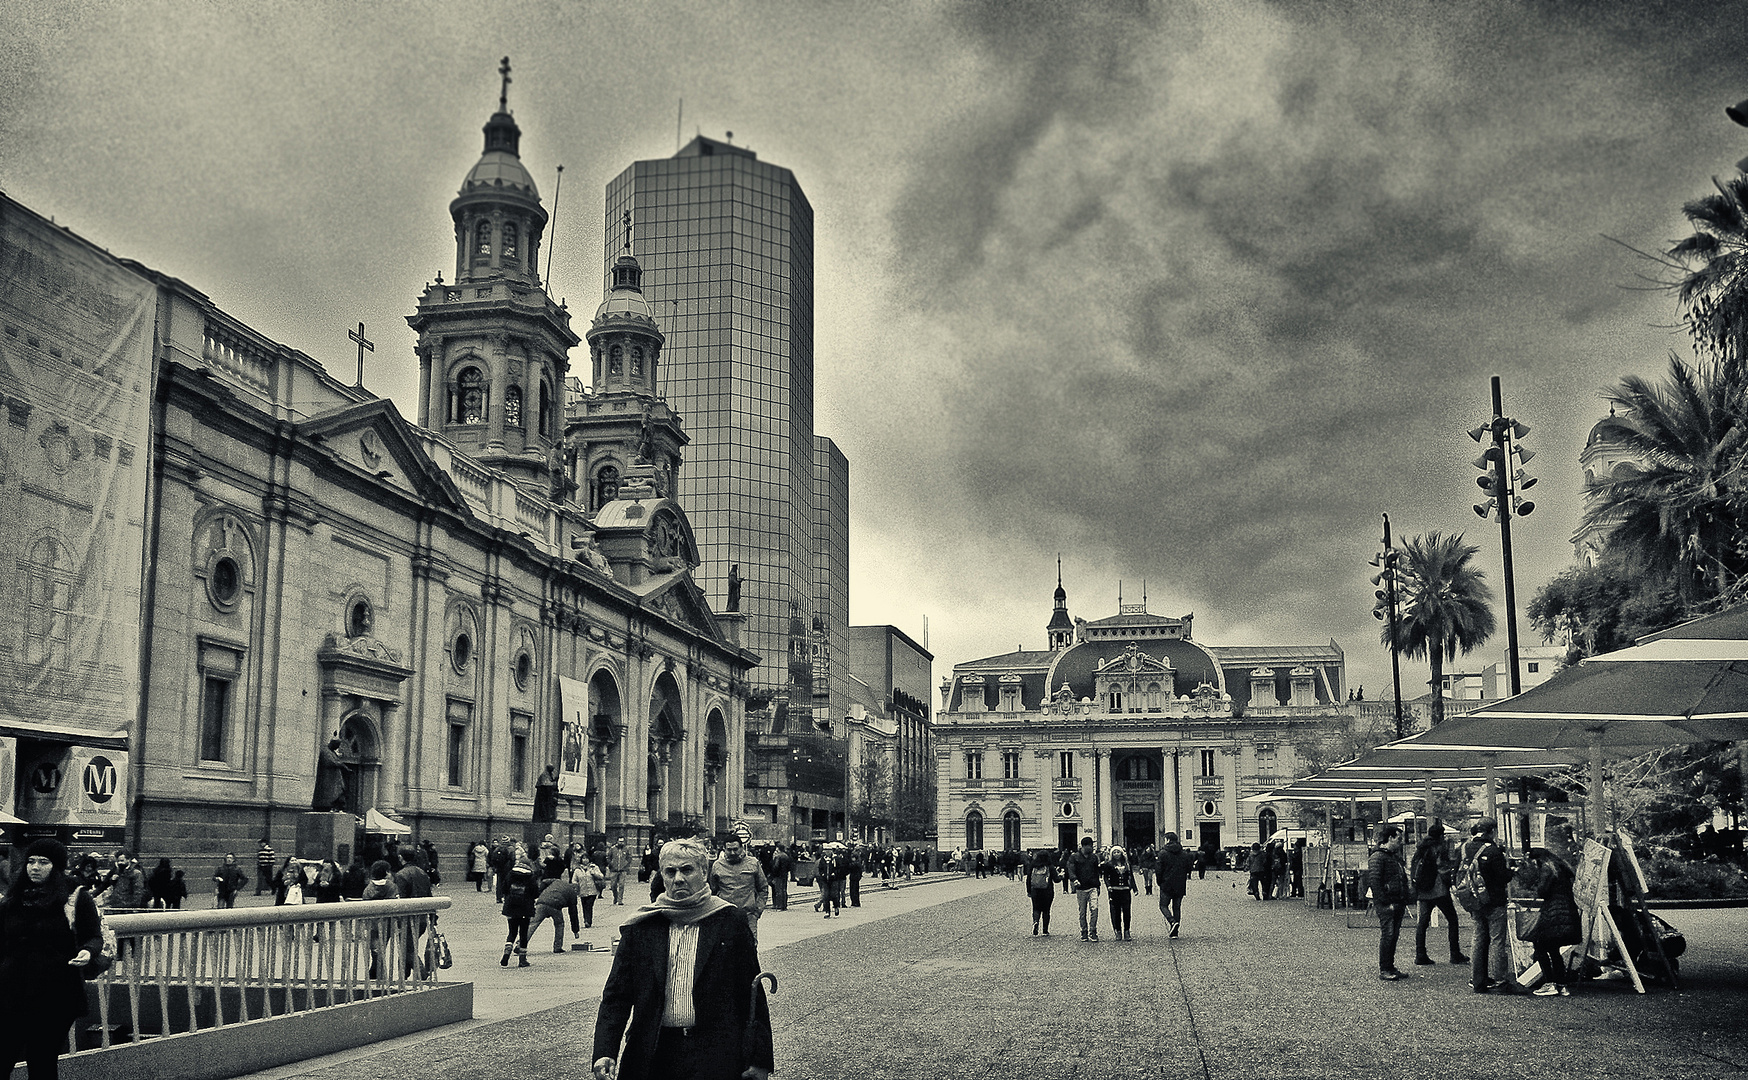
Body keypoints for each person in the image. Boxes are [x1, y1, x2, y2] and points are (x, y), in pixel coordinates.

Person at [590, 839, 773, 1080]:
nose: (678, 878)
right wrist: (605, 1050)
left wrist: (759, 1059)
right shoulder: (643, 926)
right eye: (670, 871)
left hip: (715, 1055)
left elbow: (751, 995)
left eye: (687, 870)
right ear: (662, 876)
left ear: (704, 872)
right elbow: (616, 995)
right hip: (653, 1052)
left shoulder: (730, 922)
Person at [0, 839, 105, 1080]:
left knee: (41, 1059)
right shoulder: (13, 899)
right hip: (11, 990)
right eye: (31, 861)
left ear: (56, 866)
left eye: (43, 862)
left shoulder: (74, 897)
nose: (34, 867)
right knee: (4, 1054)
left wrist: (87, 951)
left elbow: (94, 935)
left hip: (55, 991)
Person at [1523, 847, 1582, 997]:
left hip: (1553, 913)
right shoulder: (1562, 866)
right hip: (1567, 911)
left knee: (1540, 946)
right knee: (1554, 950)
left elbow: (1542, 891)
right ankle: (1562, 985)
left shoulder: (1547, 868)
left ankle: (1549, 983)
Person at [1465, 818, 1514, 994]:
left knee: (1478, 939)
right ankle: (1501, 980)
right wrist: (1512, 870)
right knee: (1497, 941)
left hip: (1474, 901)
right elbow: (1503, 877)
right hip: (1494, 901)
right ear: (1492, 830)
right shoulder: (1493, 851)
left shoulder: (1465, 848)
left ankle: (1477, 980)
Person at [1411, 824, 1468, 966]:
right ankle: (1455, 953)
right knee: (1452, 919)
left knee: (1422, 923)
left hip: (1424, 890)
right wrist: (1450, 880)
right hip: (1438, 889)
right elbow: (1442, 867)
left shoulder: (1421, 848)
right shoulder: (1439, 847)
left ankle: (1420, 954)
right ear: (1441, 835)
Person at [1367, 824, 1411, 980]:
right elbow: (1374, 881)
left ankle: (1389, 966)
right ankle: (1385, 968)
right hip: (1388, 902)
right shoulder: (1379, 857)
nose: (1401, 842)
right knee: (1388, 935)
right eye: (1398, 839)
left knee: (1393, 935)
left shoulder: (1390, 857)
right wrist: (1385, 902)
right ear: (1390, 838)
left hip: (1396, 900)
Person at [708, 832, 769, 944]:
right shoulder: (717, 866)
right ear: (724, 849)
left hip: (748, 916)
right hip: (725, 917)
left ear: (742, 848)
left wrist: (757, 911)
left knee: (749, 950)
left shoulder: (753, 863)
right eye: (729, 849)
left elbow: (763, 888)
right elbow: (713, 891)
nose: (732, 852)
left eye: (736, 849)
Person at [500, 857, 540, 968]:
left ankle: (506, 954)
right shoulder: (531, 876)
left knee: (512, 932)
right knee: (523, 933)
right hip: (525, 908)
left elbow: (504, 888)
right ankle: (522, 960)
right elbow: (535, 892)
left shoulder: (510, 874)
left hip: (511, 907)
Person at [1065, 836, 1103, 942]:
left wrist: (1098, 886)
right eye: (1090, 846)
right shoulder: (1074, 857)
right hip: (1081, 887)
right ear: (1084, 846)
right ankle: (1084, 931)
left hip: (1093, 887)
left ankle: (1093, 930)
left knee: (1094, 909)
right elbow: (1071, 869)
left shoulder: (1094, 857)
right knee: (1082, 911)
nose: (1091, 848)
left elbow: (1096, 872)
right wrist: (1074, 879)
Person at [1156, 834, 1193, 938]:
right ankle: (1175, 932)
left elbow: (1158, 869)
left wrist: (1160, 882)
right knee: (1176, 907)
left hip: (1166, 883)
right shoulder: (1184, 853)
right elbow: (1189, 868)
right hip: (1180, 884)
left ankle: (1172, 922)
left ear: (1168, 840)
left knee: (1163, 905)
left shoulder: (1163, 853)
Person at [1103, 847, 1137, 941]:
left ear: (1122, 853)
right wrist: (1108, 886)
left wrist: (1135, 888)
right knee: (1116, 911)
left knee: (1127, 911)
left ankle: (1127, 930)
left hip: (1125, 890)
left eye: (1118, 852)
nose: (1117, 854)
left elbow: (1131, 876)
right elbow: (1105, 877)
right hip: (1114, 890)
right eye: (1114, 852)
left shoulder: (1127, 864)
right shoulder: (1108, 865)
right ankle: (1118, 930)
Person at [1026, 849, 1058, 935]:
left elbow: (1028, 879)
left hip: (1035, 890)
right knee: (1046, 910)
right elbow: (1056, 879)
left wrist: (1029, 890)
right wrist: (1061, 876)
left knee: (1036, 908)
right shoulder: (1050, 867)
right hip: (1047, 890)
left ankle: (1036, 922)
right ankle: (1045, 930)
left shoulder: (1033, 866)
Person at [574, 852, 607, 929]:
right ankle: (585, 920)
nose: (585, 860)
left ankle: (588, 921)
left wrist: (594, 873)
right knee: (584, 906)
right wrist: (576, 886)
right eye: (583, 858)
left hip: (593, 890)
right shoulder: (578, 870)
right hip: (582, 891)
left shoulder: (594, 867)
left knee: (589, 905)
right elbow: (574, 880)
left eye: (586, 858)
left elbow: (601, 876)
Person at [608, 840, 633, 906]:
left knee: (621, 885)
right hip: (614, 870)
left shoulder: (626, 849)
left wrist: (626, 864)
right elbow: (608, 857)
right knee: (613, 885)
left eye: (622, 841)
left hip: (623, 870)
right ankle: (615, 896)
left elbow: (629, 857)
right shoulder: (612, 849)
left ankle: (620, 900)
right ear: (617, 841)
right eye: (620, 841)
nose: (621, 843)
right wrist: (611, 864)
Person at [767, 845, 791, 912]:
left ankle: (779, 905)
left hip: (778, 876)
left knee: (778, 890)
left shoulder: (778, 856)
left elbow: (776, 867)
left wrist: (772, 874)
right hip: (784, 875)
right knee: (784, 890)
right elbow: (789, 867)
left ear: (778, 848)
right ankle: (784, 905)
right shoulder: (786, 856)